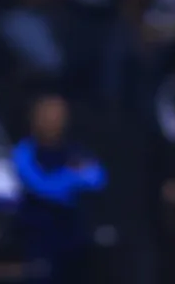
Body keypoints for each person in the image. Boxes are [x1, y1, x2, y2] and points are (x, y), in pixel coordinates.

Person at [11, 94, 106, 284]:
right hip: (39, 242)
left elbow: (98, 178)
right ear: (35, 117)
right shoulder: (24, 151)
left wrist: (66, 181)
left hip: (74, 242)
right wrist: (71, 179)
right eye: (48, 113)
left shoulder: (76, 150)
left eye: (59, 113)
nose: (54, 119)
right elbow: (42, 186)